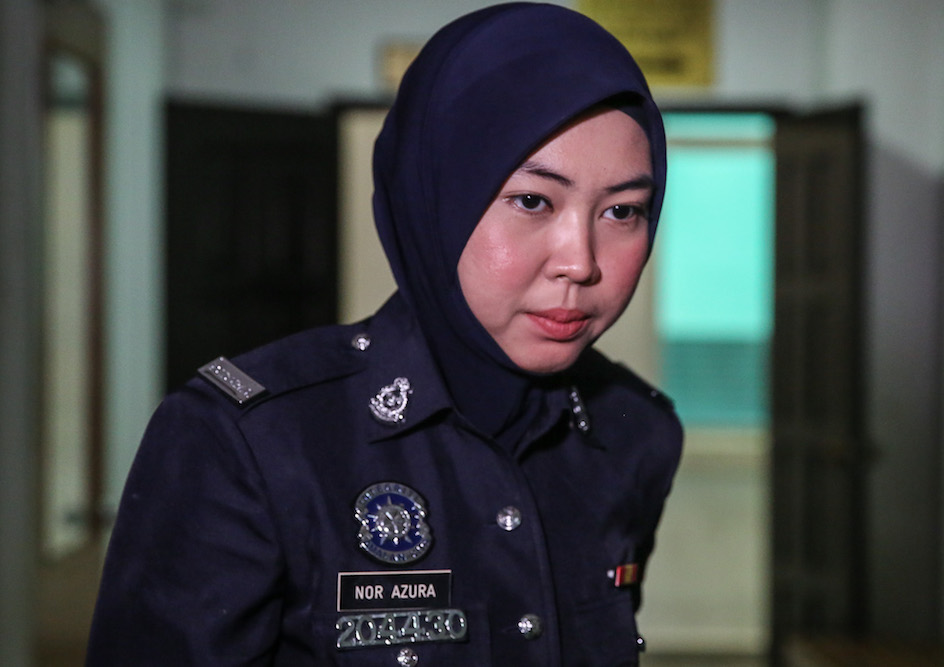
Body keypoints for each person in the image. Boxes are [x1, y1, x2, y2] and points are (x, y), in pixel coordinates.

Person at [87, 3, 682, 665]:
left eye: (623, 210)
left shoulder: (633, 433)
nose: (582, 260)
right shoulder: (247, 441)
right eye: (533, 201)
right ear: (432, 198)